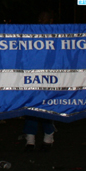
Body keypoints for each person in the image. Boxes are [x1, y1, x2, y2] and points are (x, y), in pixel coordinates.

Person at [22, 11, 57, 151]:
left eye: (44, 18)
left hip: (49, 78)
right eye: (40, 18)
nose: (41, 20)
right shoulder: (32, 34)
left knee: (46, 108)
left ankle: (48, 137)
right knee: (30, 108)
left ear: (51, 21)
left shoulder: (57, 35)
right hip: (32, 77)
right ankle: (30, 140)